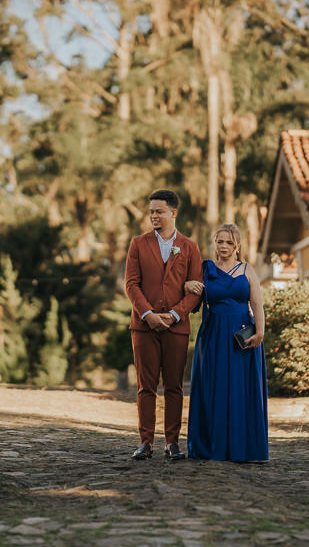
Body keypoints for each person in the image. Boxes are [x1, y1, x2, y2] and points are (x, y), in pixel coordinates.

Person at [124, 189, 203, 460]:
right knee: (146, 387)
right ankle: (145, 442)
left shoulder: (190, 247)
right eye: (151, 212)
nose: (154, 216)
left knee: (174, 386)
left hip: (176, 328)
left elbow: (196, 289)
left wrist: (174, 315)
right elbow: (131, 284)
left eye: (159, 211)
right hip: (143, 328)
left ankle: (172, 442)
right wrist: (148, 314)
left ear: (173, 213)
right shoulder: (138, 243)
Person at [184, 223, 269, 462]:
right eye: (220, 241)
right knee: (215, 389)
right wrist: (186, 285)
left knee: (242, 390)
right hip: (213, 336)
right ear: (215, 244)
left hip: (243, 337)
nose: (223, 246)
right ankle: (213, 446)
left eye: (229, 242)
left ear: (237, 246)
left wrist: (260, 333)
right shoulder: (206, 269)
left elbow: (257, 304)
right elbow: (191, 292)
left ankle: (244, 448)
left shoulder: (247, 270)